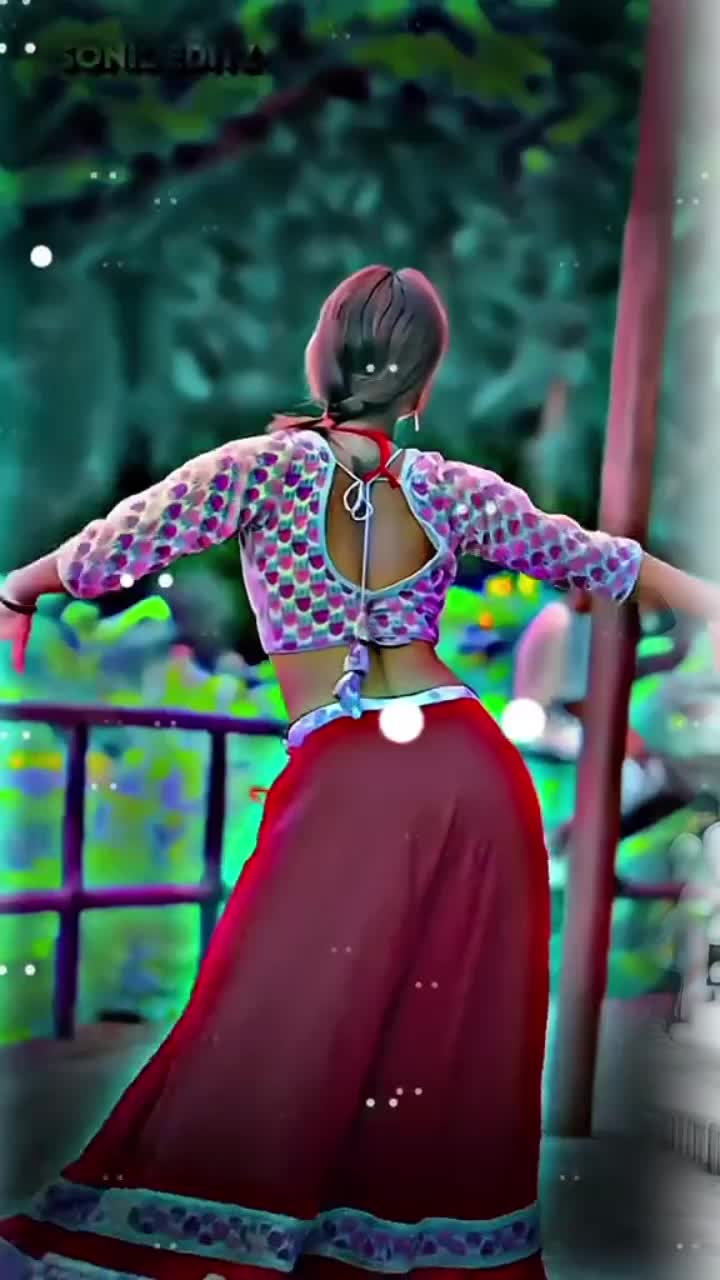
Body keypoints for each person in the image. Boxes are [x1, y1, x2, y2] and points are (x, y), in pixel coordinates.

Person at [0, 265, 717, 1280]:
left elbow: (118, 545)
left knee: (276, 1018)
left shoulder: (255, 470)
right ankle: (388, 1254)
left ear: (320, 357)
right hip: (471, 772)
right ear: (423, 385)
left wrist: (18, 591)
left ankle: (222, 1238)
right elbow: (605, 560)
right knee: (432, 1038)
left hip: (353, 778)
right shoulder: (454, 488)